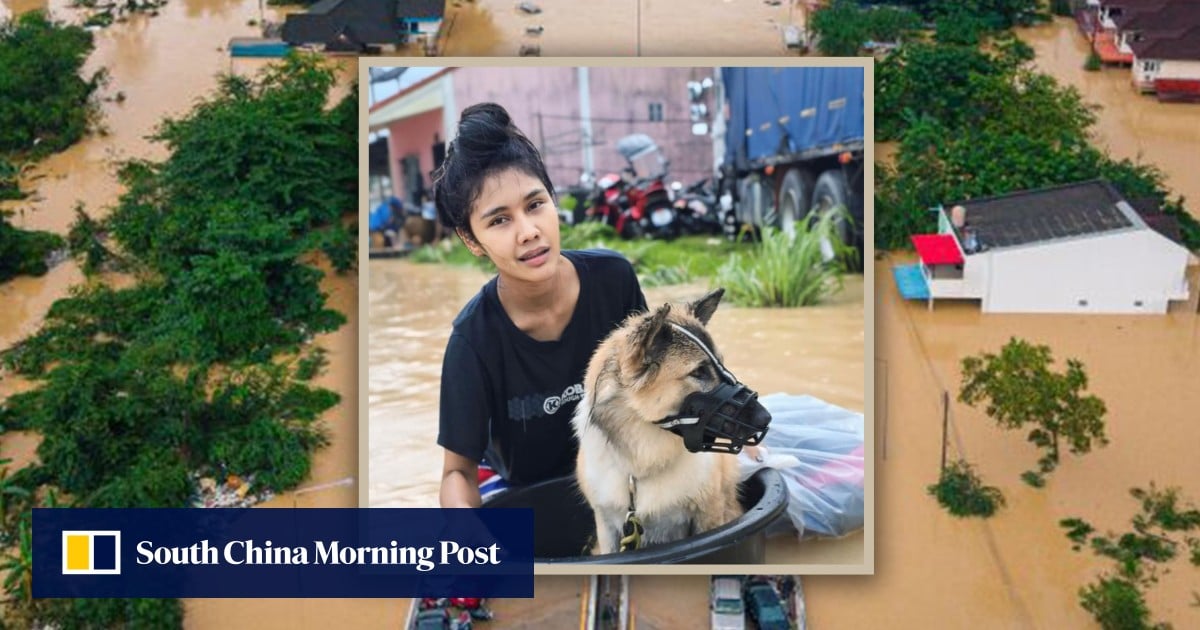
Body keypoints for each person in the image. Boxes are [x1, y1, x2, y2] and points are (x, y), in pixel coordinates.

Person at [433, 103, 648, 508]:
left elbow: (654, 384)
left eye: (535, 205)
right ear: (471, 240)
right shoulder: (473, 340)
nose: (529, 232)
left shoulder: (613, 280)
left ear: (553, 199)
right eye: (499, 221)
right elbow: (457, 473)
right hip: (527, 491)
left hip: (620, 471)